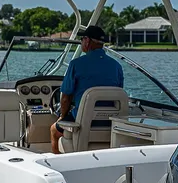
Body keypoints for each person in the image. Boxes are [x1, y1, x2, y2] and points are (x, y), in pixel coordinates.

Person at [50, 25, 124, 154]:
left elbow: (66, 98)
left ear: (87, 41)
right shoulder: (116, 66)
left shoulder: (76, 64)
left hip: (82, 123)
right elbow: (118, 92)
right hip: (110, 123)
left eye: (82, 39)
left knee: (53, 130)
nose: (81, 43)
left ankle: (57, 161)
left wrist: (62, 116)